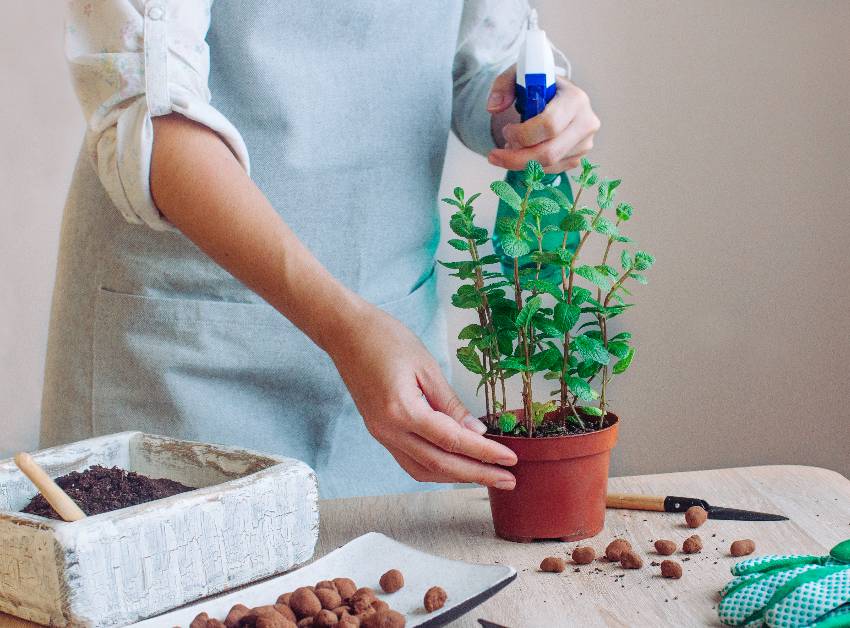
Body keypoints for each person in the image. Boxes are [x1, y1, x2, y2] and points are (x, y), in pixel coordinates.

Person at [43, 0, 600, 498]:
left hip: (392, 340)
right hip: (186, 352)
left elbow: (477, 62)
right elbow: (152, 111)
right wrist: (342, 325)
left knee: (380, 601)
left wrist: (531, 116)